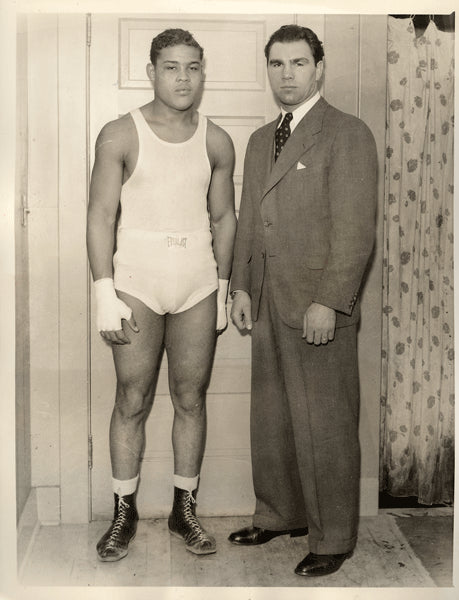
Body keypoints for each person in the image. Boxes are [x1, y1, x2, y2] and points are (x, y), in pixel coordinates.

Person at [228, 24, 378, 577]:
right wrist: (240, 285)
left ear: (319, 67)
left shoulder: (347, 133)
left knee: (327, 423)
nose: (286, 74)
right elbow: (249, 220)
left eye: (297, 63)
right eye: (276, 64)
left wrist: (331, 301)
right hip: (267, 301)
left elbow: (355, 230)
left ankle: (333, 536)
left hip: (318, 308)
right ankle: (279, 515)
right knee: (272, 420)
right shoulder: (258, 138)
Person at [86, 28, 236, 561]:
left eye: (193, 67)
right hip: (137, 282)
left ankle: (183, 509)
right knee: (132, 398)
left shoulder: (216, 140)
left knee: (191, 398)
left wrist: (221, 286)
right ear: (151, 71)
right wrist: (105, 290)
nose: (182, 77)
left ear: (203, 72)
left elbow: (223, 216)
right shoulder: (119, 134)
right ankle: (122, 513)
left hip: (195, 278)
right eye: (171, 66)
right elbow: (101, 214)